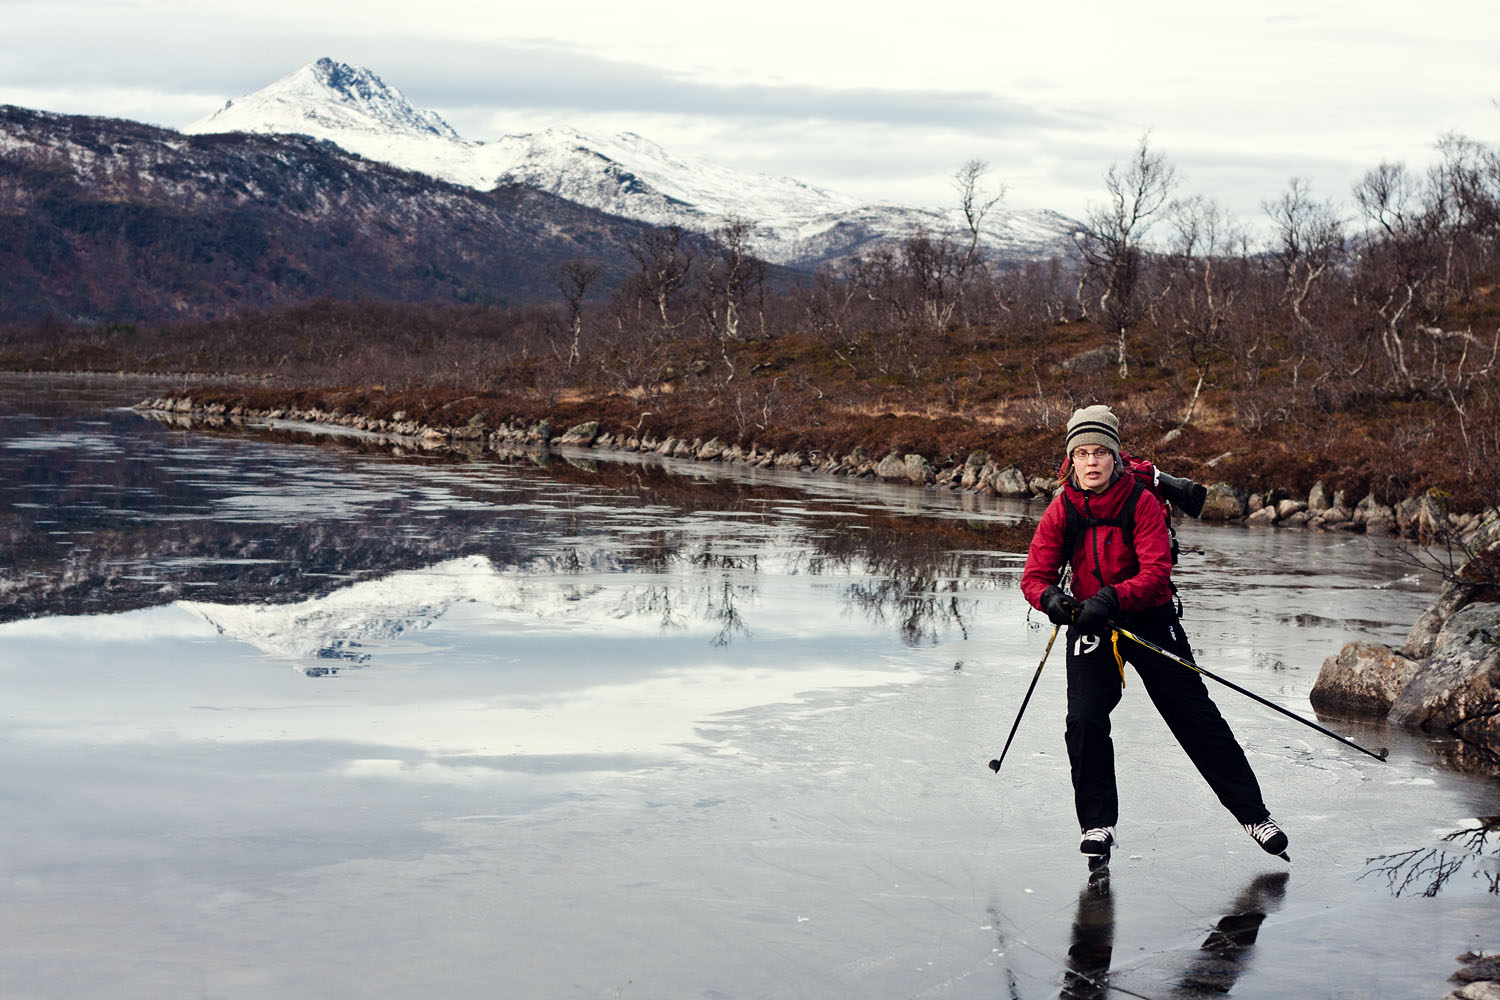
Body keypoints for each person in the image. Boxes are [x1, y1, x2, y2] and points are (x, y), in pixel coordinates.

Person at [1020, 404, 1289, 861]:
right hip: (1091, 623)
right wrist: (1051, 601)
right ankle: (1098, 825)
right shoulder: (1062, 507)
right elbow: (1034, 576)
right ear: (1071, 460)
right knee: (1084, 720)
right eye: (1082, 454)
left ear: (1114, 457)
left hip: (1149, 617)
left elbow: (1156, 574)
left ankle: (1254, 815)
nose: (1091, 462)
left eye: (1099, 453)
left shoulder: (1141, 502)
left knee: (1196, 718)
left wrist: (1109, 598)